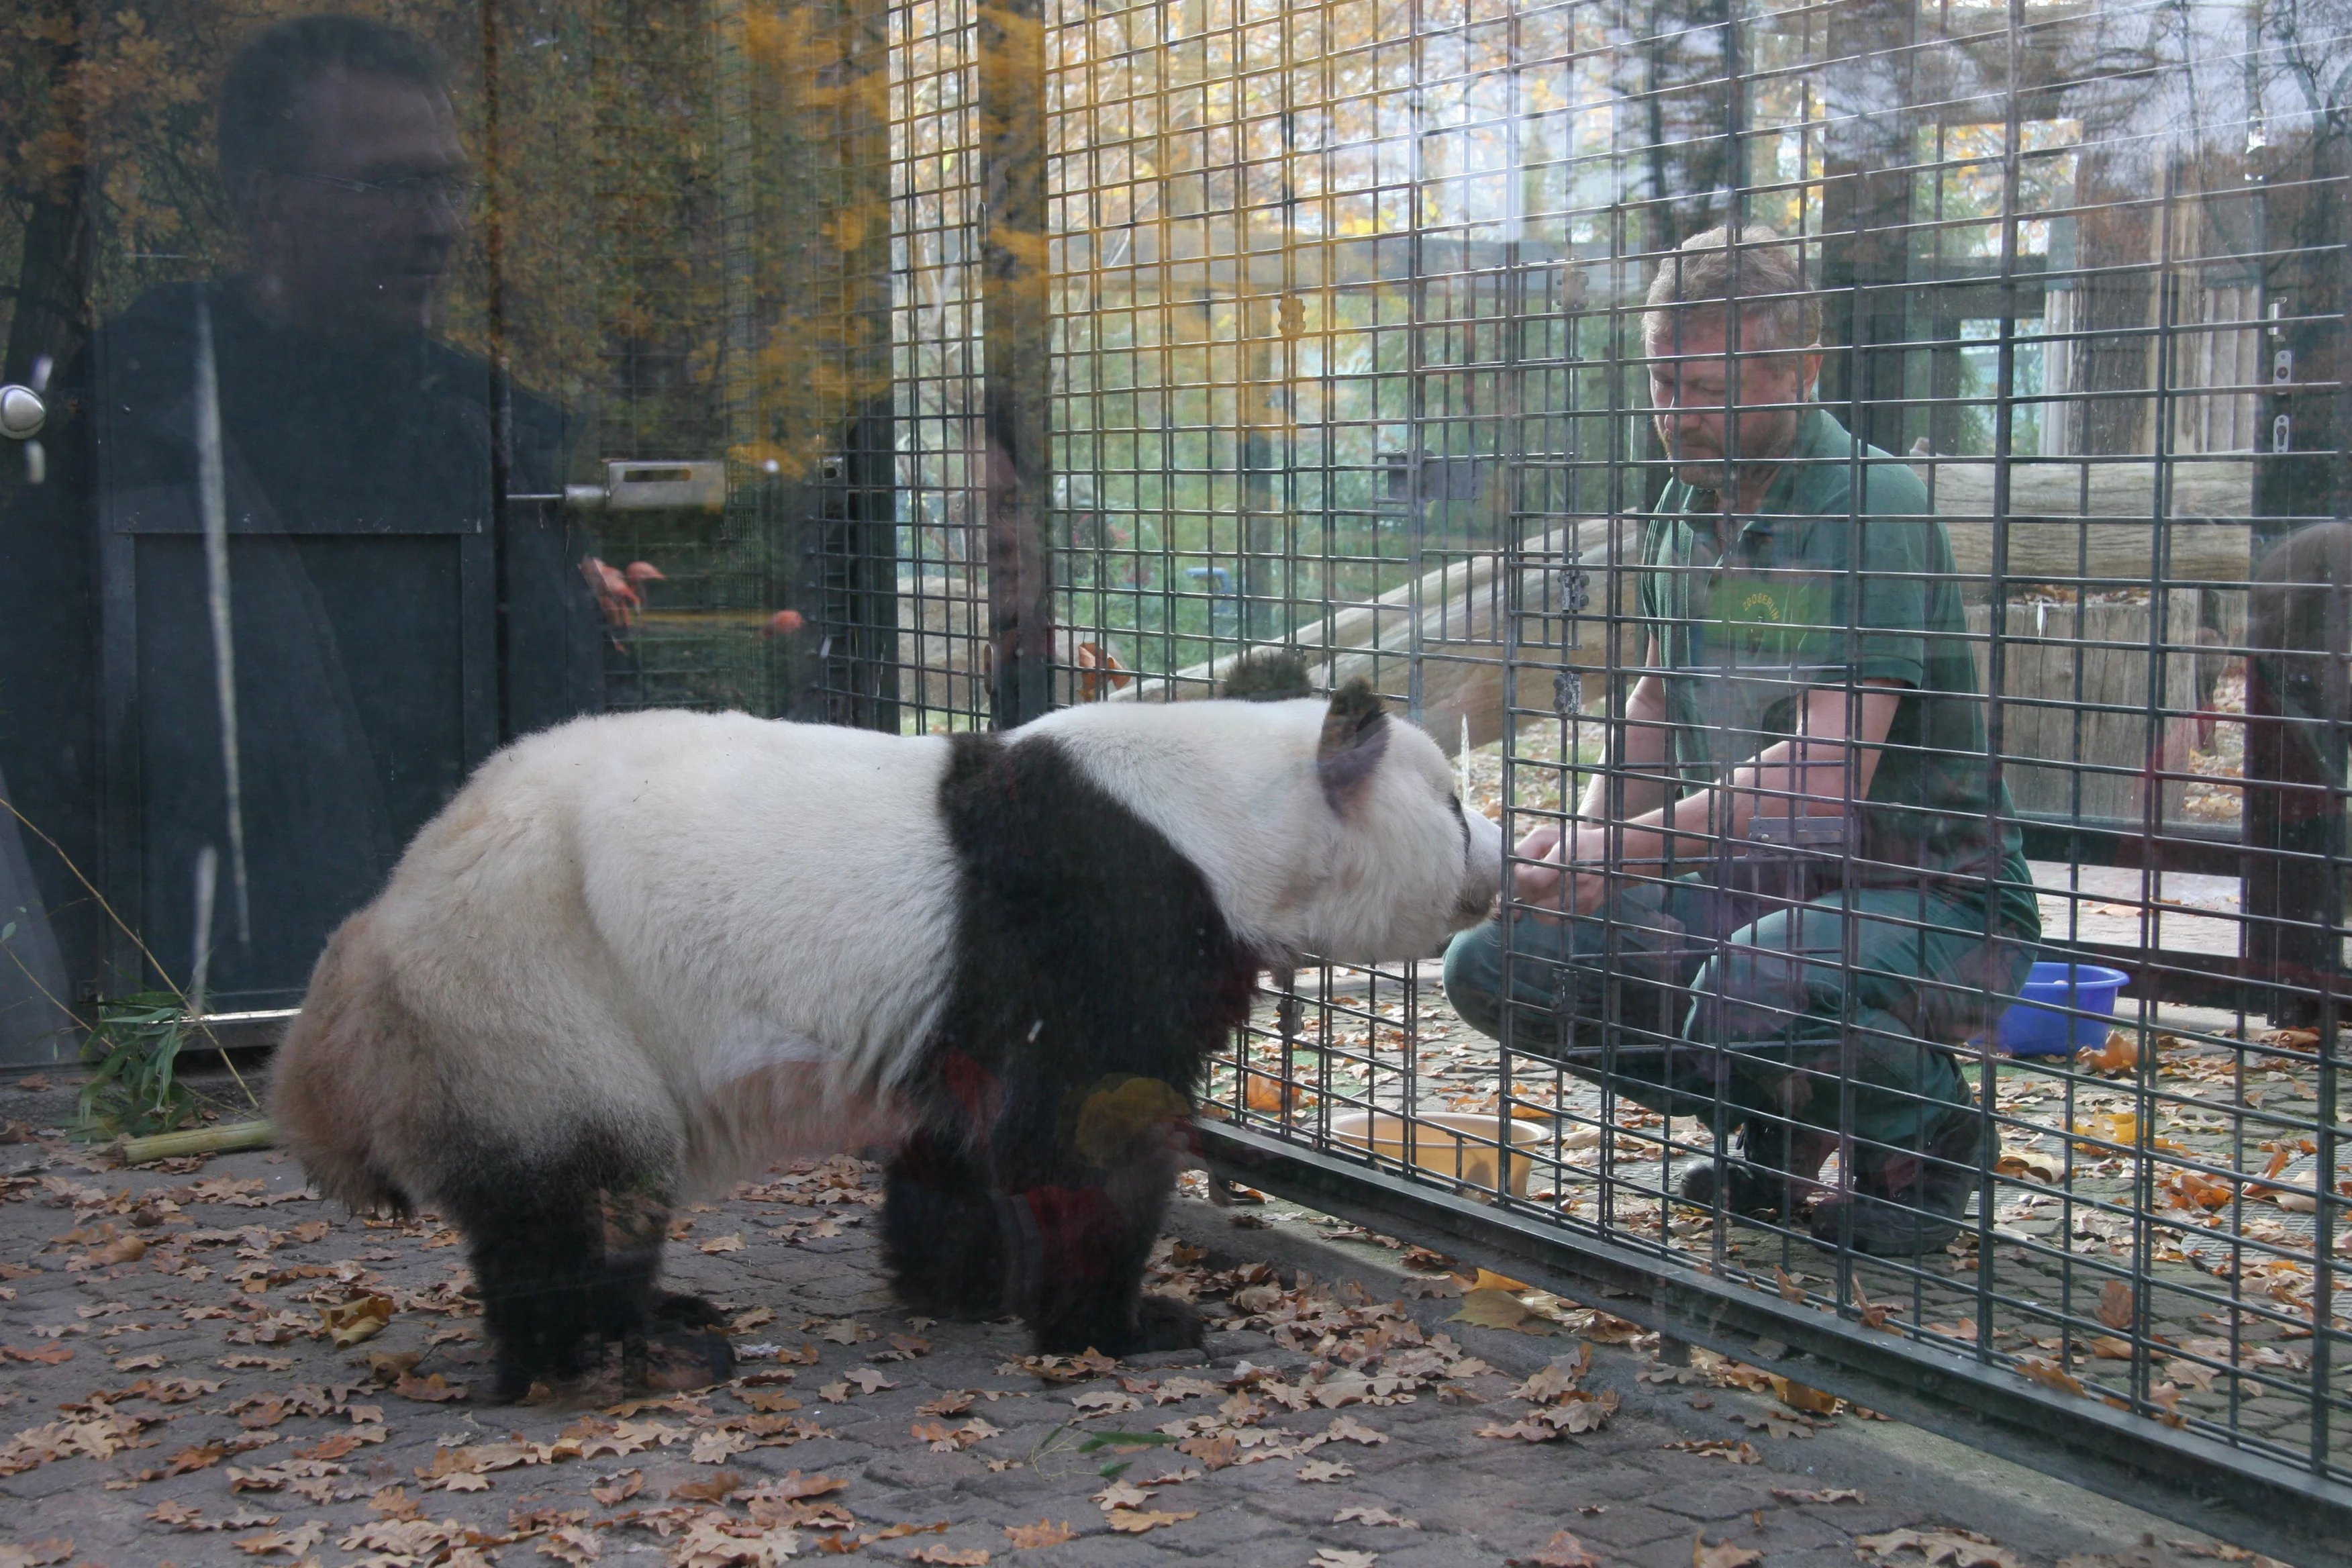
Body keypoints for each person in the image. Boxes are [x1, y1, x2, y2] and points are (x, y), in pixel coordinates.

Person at [1443, 225, 2041, 1255]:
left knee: (1757, 979)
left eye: (1705, 387)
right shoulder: (1687, 510)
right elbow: (1656, 706)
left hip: (1943, 907)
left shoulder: (1867, 506)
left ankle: (1924, 1143)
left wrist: (1617, 856)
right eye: (1663, 384)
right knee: (1502, 961)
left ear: (1800, 369)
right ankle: (1780, 1123)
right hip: (1766, 896)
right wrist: (1579, 858)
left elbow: (1819, 785)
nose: (1675, 415)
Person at [0, 15, 602, 1014]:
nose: (439, 224)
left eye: (448, 184)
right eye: (390, 185)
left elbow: (562, 721)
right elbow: (50, 762)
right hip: (204, 999)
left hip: (475, 994)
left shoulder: (484, 429)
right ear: (267, 205)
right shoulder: (131, 418)